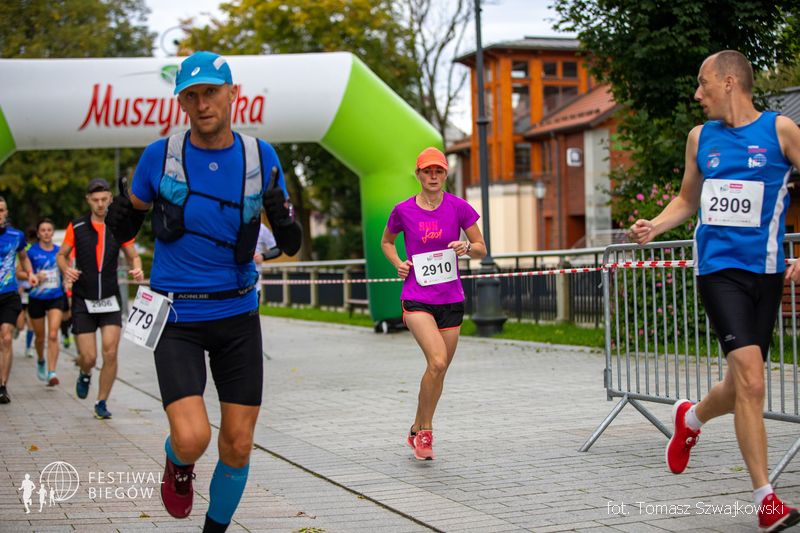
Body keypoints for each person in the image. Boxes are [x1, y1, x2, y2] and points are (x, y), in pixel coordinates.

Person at [105, 51, 301, 533]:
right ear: (182, 103)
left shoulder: (261, 156)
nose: (202, 103)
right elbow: (127, 221)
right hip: (176, 317)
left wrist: (281, 216)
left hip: (238, 316)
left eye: (211, 92)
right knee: (193, 438)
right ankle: (178, 461)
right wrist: (121, 218)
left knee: (237, 444)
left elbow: (291, 242)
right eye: (191, 95)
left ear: (232, 94)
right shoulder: (160, 156)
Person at [630, 50, 800, 532]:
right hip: (719, 271)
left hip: (766, 272)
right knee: (752, 380)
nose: (697, 93)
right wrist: (655, 225)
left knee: (742, 384)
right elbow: (688, 198)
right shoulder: (700, 138)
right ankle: (766, 500)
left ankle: (691, 418)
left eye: (703, 83)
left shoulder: (781, 131)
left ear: (728, 82)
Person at [380, 147, 486, 461]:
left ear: (445, 174)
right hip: (417, 298)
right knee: (437, 362)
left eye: (438, 171)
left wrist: (467, 247)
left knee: (438, 371)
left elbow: (481, 247)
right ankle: (426, 433)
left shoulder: (458, 207)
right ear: (418, 175)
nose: (433, 176)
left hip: (451, 300)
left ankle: (416, 427)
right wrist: (398, 262)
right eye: (427, 171)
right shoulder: (403, 210)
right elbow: (386, 242)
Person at [57, 178, 144, 419]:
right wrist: (66, 269)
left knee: (111, 352)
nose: (100, 204)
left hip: (110, 299)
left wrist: (137, 268)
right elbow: (61, 255)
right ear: (88, 200)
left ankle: (101, 402)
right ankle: (85, 373)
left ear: (110, 199)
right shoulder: (76, 226)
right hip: (83, 300)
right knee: (89, 357)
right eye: (95, 200)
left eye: (104, 199)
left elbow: (133, 256)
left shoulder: (119, 226)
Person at [0, 197, 38, 404]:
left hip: (8, 294)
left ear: (6, 213)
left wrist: (30, 273)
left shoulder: (16, 236)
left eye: (2, 210)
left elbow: (23, 257)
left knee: (6, 338)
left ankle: (2, 386)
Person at [28, 218, 66, 386]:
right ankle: (41, 360)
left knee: (53, 334)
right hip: (36, 298)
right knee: (40, 337)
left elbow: (66, 271)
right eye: (43, 230)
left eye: (49, 230)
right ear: (38, 233)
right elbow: (20, 273)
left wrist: (68, 280)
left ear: (53, 232)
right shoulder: (31, 251)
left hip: (56, 297)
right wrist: (34, 276)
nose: (46, 233)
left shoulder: (60, 252)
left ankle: (52, 372)